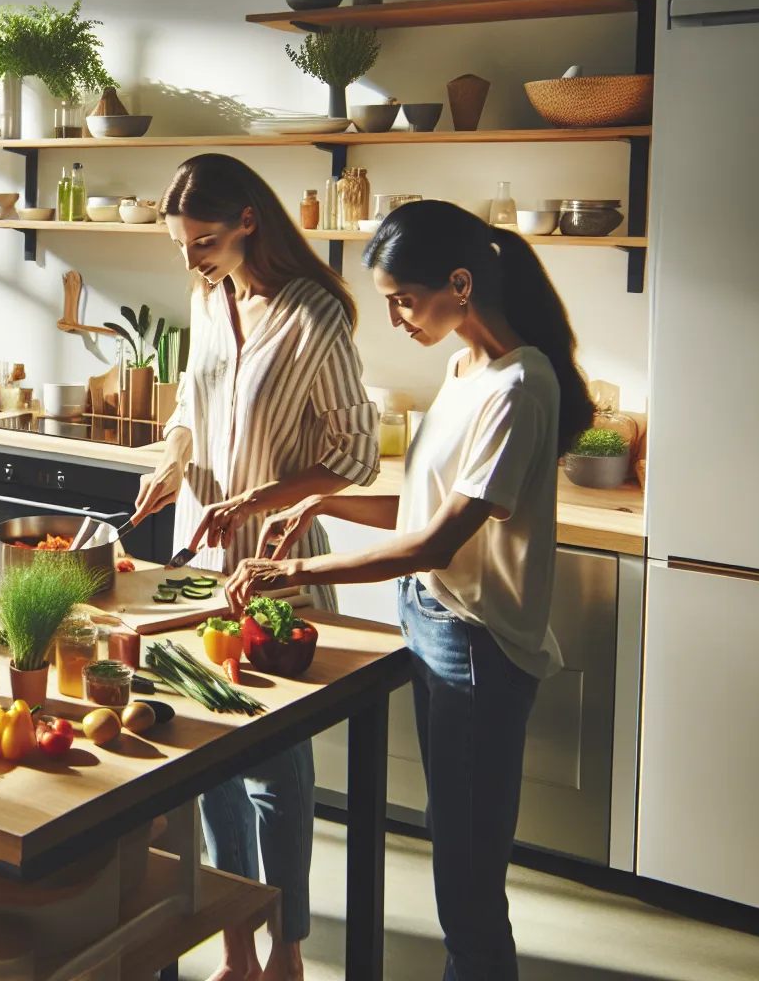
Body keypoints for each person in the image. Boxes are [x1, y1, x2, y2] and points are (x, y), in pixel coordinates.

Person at [229, 200, 593, 981]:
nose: (393, 316)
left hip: (476, 645)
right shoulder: (463, 367)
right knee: (451, 834)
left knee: (466, 874)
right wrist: (318, 502)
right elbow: (419, 508)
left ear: (459, 284)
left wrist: (295, 572)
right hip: (430, 617)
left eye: (402, 298)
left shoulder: (520, 386)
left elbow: (435, 541)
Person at [129, 153, 380, 981]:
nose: (190, 258)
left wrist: (258, 499)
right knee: (206, 756)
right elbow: (188, 412)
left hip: (275, 567)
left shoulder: (316, 315)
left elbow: (356, 455)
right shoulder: (207, 297)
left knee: (274, 764)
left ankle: (289, 944)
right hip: (199, 559)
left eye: (203, 240)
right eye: (180, 244)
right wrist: (173, 463)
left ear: (248, 222)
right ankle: (235, 938)